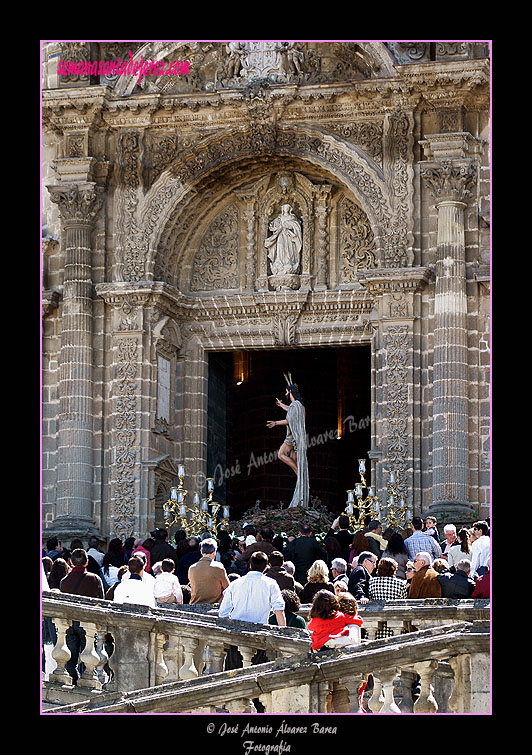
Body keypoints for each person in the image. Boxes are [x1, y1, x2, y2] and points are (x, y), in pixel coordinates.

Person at [219, 551, 286, 678]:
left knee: (233, 676)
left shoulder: (235, 584)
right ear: (266, 567)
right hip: (259, 635)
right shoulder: (271, 584)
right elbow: (279, 610)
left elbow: (223, 613)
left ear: (250, 565)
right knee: (256, 675)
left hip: (236, 634)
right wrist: (283, 634)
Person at [59, 548, 105, 684]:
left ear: (71, 562)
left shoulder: (64, 581)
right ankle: (88, 683)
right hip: (88, 624)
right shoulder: (94, 579)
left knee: (70, 661)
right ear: (86, 562)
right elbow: (101, 601)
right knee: (89, 659)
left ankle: (73, 681)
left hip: (70, 623)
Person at [266, 377, 309, 508]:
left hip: (293, 437)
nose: (285, 394)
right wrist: (281, 405)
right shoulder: (299, 406)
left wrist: (275, 423)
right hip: (297, 437)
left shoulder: (295, 405)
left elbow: (289, 420)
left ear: (290, 391)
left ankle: (299, 474)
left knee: (281, 454)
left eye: (286, 392)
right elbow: (291, 411)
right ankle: (300, 475)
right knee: (291, 457)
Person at [188, 538, 230, 604]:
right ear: (214, 552)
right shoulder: (218, 567)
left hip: (195, 604)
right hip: (215, 605)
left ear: (201, 551)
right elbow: (227, 588)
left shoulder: (192, 568)